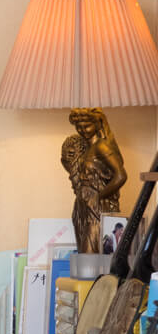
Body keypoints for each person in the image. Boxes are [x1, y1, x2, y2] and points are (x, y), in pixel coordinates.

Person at [61, 107, 127, 254]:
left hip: (96, 206)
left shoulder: (101, 147)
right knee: (83, 252)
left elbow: (121, 175)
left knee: (90, 252)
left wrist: (98, 196)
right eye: (79, 126)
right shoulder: (86, 148)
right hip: (83, 204)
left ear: (98, 124)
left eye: (86, 126)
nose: (82, 130)